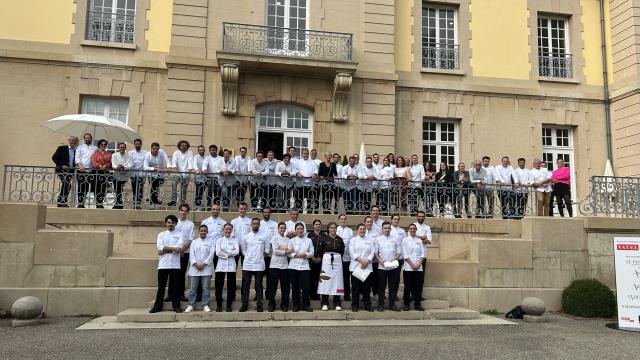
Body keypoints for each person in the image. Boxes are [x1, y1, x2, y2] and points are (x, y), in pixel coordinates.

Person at [150, 215, 184, 313]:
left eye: (172, 222)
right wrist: (173, 249)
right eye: (169, 222)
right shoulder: (161, 235)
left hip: (175, 265)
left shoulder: (180, 235)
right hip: (163, 265)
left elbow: (179, 248)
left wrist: (166, 249)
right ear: (166, 223)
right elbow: (160, 248)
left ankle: (176, 306)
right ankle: (157, 306)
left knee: (175, 287)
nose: (170, 224)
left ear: (176, 224)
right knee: (161, 286)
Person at [239, 218, 268, 312]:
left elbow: (267, 249)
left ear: (259, 225)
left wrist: (261, 257)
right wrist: (246, 256)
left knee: (258, 285)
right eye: (254, 223)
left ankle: (259, 304)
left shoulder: (264, 236)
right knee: (246, 284)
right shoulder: (246, 237)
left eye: (257, 224)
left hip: (259, 264)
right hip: (248, 264)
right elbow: (243, 249)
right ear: (251, 225)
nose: (255, 225)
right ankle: (244, 303)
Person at [184, 224, 214, 313]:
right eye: (201, 231)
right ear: (199, 232)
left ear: (207, 232)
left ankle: (205, 304)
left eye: (205, 231)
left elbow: (211, 254)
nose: (203, 232)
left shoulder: (211, 242)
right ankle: (191, 305)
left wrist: (204, 264)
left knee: (205, 288)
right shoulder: (194, 242)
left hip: (206, 269)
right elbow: (191, 254)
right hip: (194, 269)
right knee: (193, 288)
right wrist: (195, 264)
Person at [168, 204, 195, 303]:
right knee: (172, 273)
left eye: (186, 211)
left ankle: (181, 294)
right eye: (182, 210)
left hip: (185, 252)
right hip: (174, 252)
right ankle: (170, 294)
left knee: (181, 273)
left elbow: (190, 239)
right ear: (179, 211)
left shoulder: (190, 224)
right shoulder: (175, 223)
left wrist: (182, 250)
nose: (183, 212)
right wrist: (176, 250)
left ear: (188, 212)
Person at [317, 222, 345, 311]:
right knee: (325, 280)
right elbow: (320, 251)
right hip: (326, 261)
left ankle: (337, 302)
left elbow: (342, 251)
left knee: (337, 281)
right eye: (331, 228)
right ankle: (324, 302)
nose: (333, 229)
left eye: (334, 228)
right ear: (328, 229)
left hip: (337, 261)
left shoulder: (340, 239)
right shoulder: (324, 239)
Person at [375, 221, 401, 311]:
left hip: (393, 266)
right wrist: (379, 260)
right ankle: (381, 305)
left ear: (390, 229)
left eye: (388, 228)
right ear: (382, 229)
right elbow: (375, 253)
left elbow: (399, 252)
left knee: (392, 287)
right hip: (382, 267)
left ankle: (392, 305)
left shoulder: (395, 239)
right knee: (381, 287)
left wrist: (394, 258)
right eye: (385, 228)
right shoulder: (378, 239)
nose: (387, 229)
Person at [288, 222, 314, 312]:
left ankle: (306, 305)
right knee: (295, 287)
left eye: (301, 229)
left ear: (304, 230)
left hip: (305, 267)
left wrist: (305, 254)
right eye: (298, 229)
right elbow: (289, 253)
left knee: (306, 287)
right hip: (293, 266)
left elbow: (312, 253)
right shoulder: (291, 241)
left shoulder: (308, 240)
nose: (300, 230)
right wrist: (296, 255)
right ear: (295, 230)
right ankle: (296, 305)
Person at [267, 222, 292, 312]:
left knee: (285, 288)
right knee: (272, 287)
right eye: (281, 228)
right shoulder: (274, 238)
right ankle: (271, 305)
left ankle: (284, 305)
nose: (282, 229)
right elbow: (275, 251)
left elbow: (290, 251)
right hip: (274, 265)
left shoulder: (288, 240)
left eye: (284, 228)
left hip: (285, 266)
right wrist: (286, 251)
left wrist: (282, 248)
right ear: (278, 229)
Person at [349, 223, 374, 312]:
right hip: (356, 267)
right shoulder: (353, 240)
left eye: (364, 229)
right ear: (357, 230)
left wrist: (367, 261)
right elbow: (352, 252)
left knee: (367, 287)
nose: (362, 230)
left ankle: (367, 305)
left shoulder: (370, 240)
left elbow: (372, 252)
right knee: (355, 287)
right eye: (360, 229)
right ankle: (355, 305)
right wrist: (361, 260)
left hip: (367, 267)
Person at [215, 223, 239, 312]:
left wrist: (225, 252)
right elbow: (217, 252)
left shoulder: (235, 240)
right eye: (226, 229)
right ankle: (219, 305)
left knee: (231, 286)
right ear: (223, 230)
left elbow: (237, 252)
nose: (228, 231)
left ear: (232, 230)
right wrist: (229, 254)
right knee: (219, 286)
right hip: (221, 266)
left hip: (231, 266)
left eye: (229, 229)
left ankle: (229, 305)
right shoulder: (219, 240)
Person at [402, 224, 426, 311]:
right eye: (411, 229)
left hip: (418, 267)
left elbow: (423, 253)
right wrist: (412, 264)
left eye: (414, 229)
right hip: (408, 267)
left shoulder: (419, 240)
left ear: (416, 230)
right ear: (408, 230)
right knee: (408, 286)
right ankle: (406, 304)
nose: (412, 230)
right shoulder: (405, 240)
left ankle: (417, 304)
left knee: (418, 287)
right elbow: (404, 254)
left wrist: (419, 263)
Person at [51, 136, 78, 207]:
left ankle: (60, 201)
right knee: (67, 184)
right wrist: (62, 165)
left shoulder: (76, 150)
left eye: (74, 141)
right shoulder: (62, 148)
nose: (73, 142)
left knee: (67, 185)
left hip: (70, 171)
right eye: (72, 140)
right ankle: (63, 201)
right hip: (62, 170)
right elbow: (54, 157)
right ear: (69, 141)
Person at [259, 207, 279, 300]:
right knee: (259, 276)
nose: (266, 214)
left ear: (270, 213)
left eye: (268, 212)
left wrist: (268, 250)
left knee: (269, 277)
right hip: (260, 254)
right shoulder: (259, 223)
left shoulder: (275, 224)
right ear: (262, 213)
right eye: (265, 212)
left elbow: (275, 238)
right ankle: (258, 295)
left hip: (271, 254)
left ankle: (268, 294)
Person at [143, 142, 170, 209]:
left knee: (156, 188)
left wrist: (169, 167)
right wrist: (155, 169)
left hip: (160, 174)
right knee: (154, 187)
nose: (156, 150)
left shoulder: (161, 152)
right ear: (151, 148)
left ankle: (155, 200)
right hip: (151, 174)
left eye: (157, 149)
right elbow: (145, 167)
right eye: (154, 148)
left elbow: (167, 159)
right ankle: (152, 203)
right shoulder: (147, 155)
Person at [168, 140, 194, 207]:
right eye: (182, 145)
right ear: (179, 146)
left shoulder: (189, 152)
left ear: (187, 146)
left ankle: (182, 201)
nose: (184, 146)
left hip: (186, 173)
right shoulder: (176, 152)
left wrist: (190, 169)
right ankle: (173, 200)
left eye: (185, 145)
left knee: (184, 188)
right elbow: (174, 161)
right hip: (178, 173)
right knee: (174, 183)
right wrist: (174, 167)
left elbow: (190, 161)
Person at [75, 133, 97, 208]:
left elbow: (96, 159)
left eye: (89, 138)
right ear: (84, 139)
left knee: (87, 188)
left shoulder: (95, 148)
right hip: (80, 170)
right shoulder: (80, 147)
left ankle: (85, 202)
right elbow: (77, 158)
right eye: (86, 138)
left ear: (91, 139)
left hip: (90, 171)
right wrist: (80, 165)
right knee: (81, 187)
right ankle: (80, 204)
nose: (87, 139)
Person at [202, 204, 227, 268]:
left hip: (218, 249)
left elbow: (224, 236)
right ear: (211, 210)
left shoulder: (223, 222)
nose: (215, 211)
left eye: (217, 209)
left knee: (218, 269)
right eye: (214, 209)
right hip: (207, 248)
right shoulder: (205, 222)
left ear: (219, 211)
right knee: (206, 267)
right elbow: (202, 235)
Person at [295, 148, 319, 213]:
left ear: (308, 154)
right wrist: (298, 173)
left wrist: (314, 174)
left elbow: (316, 170)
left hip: (310, 183)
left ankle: (309, 212)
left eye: (306, 153)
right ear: (302, 154)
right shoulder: (298, 161)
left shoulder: (312, 162)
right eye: (304, 153)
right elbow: (295, 170)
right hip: (300, 183)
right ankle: (298, 212)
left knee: (309, 198)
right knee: (299, 198)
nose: (305, 155)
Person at [90, 139, 112, 208]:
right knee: (97, 188)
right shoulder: (95, 153)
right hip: (96, 172)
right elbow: (93, 162)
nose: (103, 145)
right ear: (99, 145)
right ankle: (97, 202)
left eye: (104, 144)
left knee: (103, 188)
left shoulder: (109, 154)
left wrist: (106, 165)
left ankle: (101, 202)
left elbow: (111, 162)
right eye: (101, 144)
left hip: (105, 172)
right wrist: (99, 166)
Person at [336, 214, 353, 302]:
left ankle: (347, 295)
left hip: (347, 258)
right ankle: (338, 295)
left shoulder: (350, 230)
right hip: (337, 258)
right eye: (341, 219)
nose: (343, 220)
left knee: (346, 278)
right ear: (339, 220)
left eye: (345, 219)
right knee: (338, 278)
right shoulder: (336, 229)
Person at [307, 219, 325, 301]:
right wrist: (312, 257)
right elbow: (306, 247)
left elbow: (325, 248)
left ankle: (317, 295)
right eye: (316, 224)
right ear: (313, 225)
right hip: (311, 260)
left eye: (319, 224)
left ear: (321, 226)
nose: (317, 225)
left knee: (319, 278)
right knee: (311, 278)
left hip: (320, 261)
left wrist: (320, 257)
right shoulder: (309, 235)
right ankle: (311, 294)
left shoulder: (324, 235)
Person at [111, 142, 132, 209]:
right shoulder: (114, 155)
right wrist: (117, 166)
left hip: (125, 175)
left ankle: (119, 203)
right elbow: (113, 164)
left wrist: (124, 167)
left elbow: (130, 165)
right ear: (118, 148)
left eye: (123, 147)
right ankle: (118, 203)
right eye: (120, 147)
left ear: (125, 148)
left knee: (122, 190)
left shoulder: (129, 156)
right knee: (117, 189)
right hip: (116, 175)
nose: (122, 148)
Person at [128, 139, 147, 209]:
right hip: (133, 173)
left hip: (142, 174)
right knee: (134, 188)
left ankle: (138, 203)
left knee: (140, 189)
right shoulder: (130, 153)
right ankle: (135, 203)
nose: (137, 145)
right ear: (134, 144)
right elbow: (129, 162)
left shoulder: (145, 152)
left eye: (139, 144)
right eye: (136, 144)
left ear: (141, 144)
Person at [202, 144, 222, 209]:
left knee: (217, 194)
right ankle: (208, 206)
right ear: (209, 151)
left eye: (214, 150)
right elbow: (204, 164)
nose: (212, 151)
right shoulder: (207, 158)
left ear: (216, 150)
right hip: (210, 178)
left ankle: (216, 207)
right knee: (209, 193)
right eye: (211, 150)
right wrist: (204, 169)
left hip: (218, 178)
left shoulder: (220, 158)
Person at [193, 145, 208, 211]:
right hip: (198, 178)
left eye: (202, 150)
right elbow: (195, 164)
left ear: (204, 151)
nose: (201, 151)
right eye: (200, 150)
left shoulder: (207, 157)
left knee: (204, 192)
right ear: (198, 151)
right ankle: (197, 205)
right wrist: (197, 170)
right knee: (198, 192)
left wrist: (205, 170)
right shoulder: (196, 157)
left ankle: (203, 205)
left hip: (206, 178)